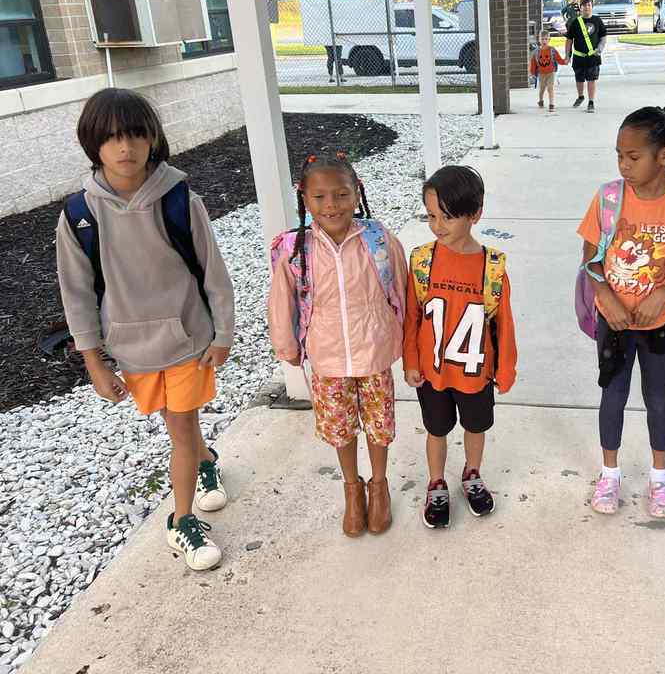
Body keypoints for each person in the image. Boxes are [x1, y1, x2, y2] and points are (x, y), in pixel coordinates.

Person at [56, 88, 235, 571]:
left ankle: (181, 523)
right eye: (112, 137)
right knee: (180, 425)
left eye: (135, 134)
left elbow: (212, 272)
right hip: (131, 348)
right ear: (92, 143)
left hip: (188, 341)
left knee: (180, 427)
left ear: (152, 137)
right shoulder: (79, 215)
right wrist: (95, 362)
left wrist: (222, 334)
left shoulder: (179, 199)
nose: (125, 147)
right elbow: (76, 293)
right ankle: (206, 462)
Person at [577, 106, 665, 518]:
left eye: (633, 157)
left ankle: (659, 478)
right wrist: (608, 298)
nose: (624, 164)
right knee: (612, 396)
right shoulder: (609, 198)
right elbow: (590, 258)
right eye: (619, 155)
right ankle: (609, 474)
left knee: (658, 398)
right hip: (613, 322)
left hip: (659, 325)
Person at [268, 152, 406, 538]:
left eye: (342, 195)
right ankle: (352, 487)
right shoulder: (294, 249)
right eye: (320, 197)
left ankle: (379, 486)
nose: (332, 205)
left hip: (373, 351)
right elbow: (282, 301)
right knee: (340, 428)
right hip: (327, 359)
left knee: (379, 427)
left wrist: (407, 341)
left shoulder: (377, 239)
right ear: (304, 198)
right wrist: (287, 347)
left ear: (356, 193)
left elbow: (401, 290)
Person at [404, 166, 517, 529]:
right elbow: (411, 317)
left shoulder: (492, 267)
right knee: (436, 430)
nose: (438, 226)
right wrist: (410, 360)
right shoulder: (422, 261)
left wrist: (505, 369)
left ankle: (472, 474)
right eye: (431, 215)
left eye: (448, 217)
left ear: (476, 213)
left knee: (475, 426)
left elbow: (504, 323)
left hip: (475, 371)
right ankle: (436, 482)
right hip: (432, 370)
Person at [563, 0, 608, 113]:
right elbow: (569, 40)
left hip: (593, 57)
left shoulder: (597, 21)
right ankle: (580, 96)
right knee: (579, 80)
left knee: (591, 79)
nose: (587, 7)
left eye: (589, 5)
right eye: (584, 5)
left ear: (592, 7)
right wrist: (567, 56)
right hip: (579, 57)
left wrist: (600, 48)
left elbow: (603, 37)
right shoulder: (575, 22)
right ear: (580, 7)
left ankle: (591, 102)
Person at [529, 29, 567, 112]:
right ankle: (541, 100)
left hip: (551, 73)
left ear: (549, 40)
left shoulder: (552, 50)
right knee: (542, 89)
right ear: (539, 39)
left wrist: (565, 61)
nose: (544, 41)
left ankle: (551, 104)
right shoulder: (536, 52)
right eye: (542, 39)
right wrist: (532, 73)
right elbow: (533, 63)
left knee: (550, 88)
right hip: (541, 74)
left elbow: (559, 59)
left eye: (546, 39)